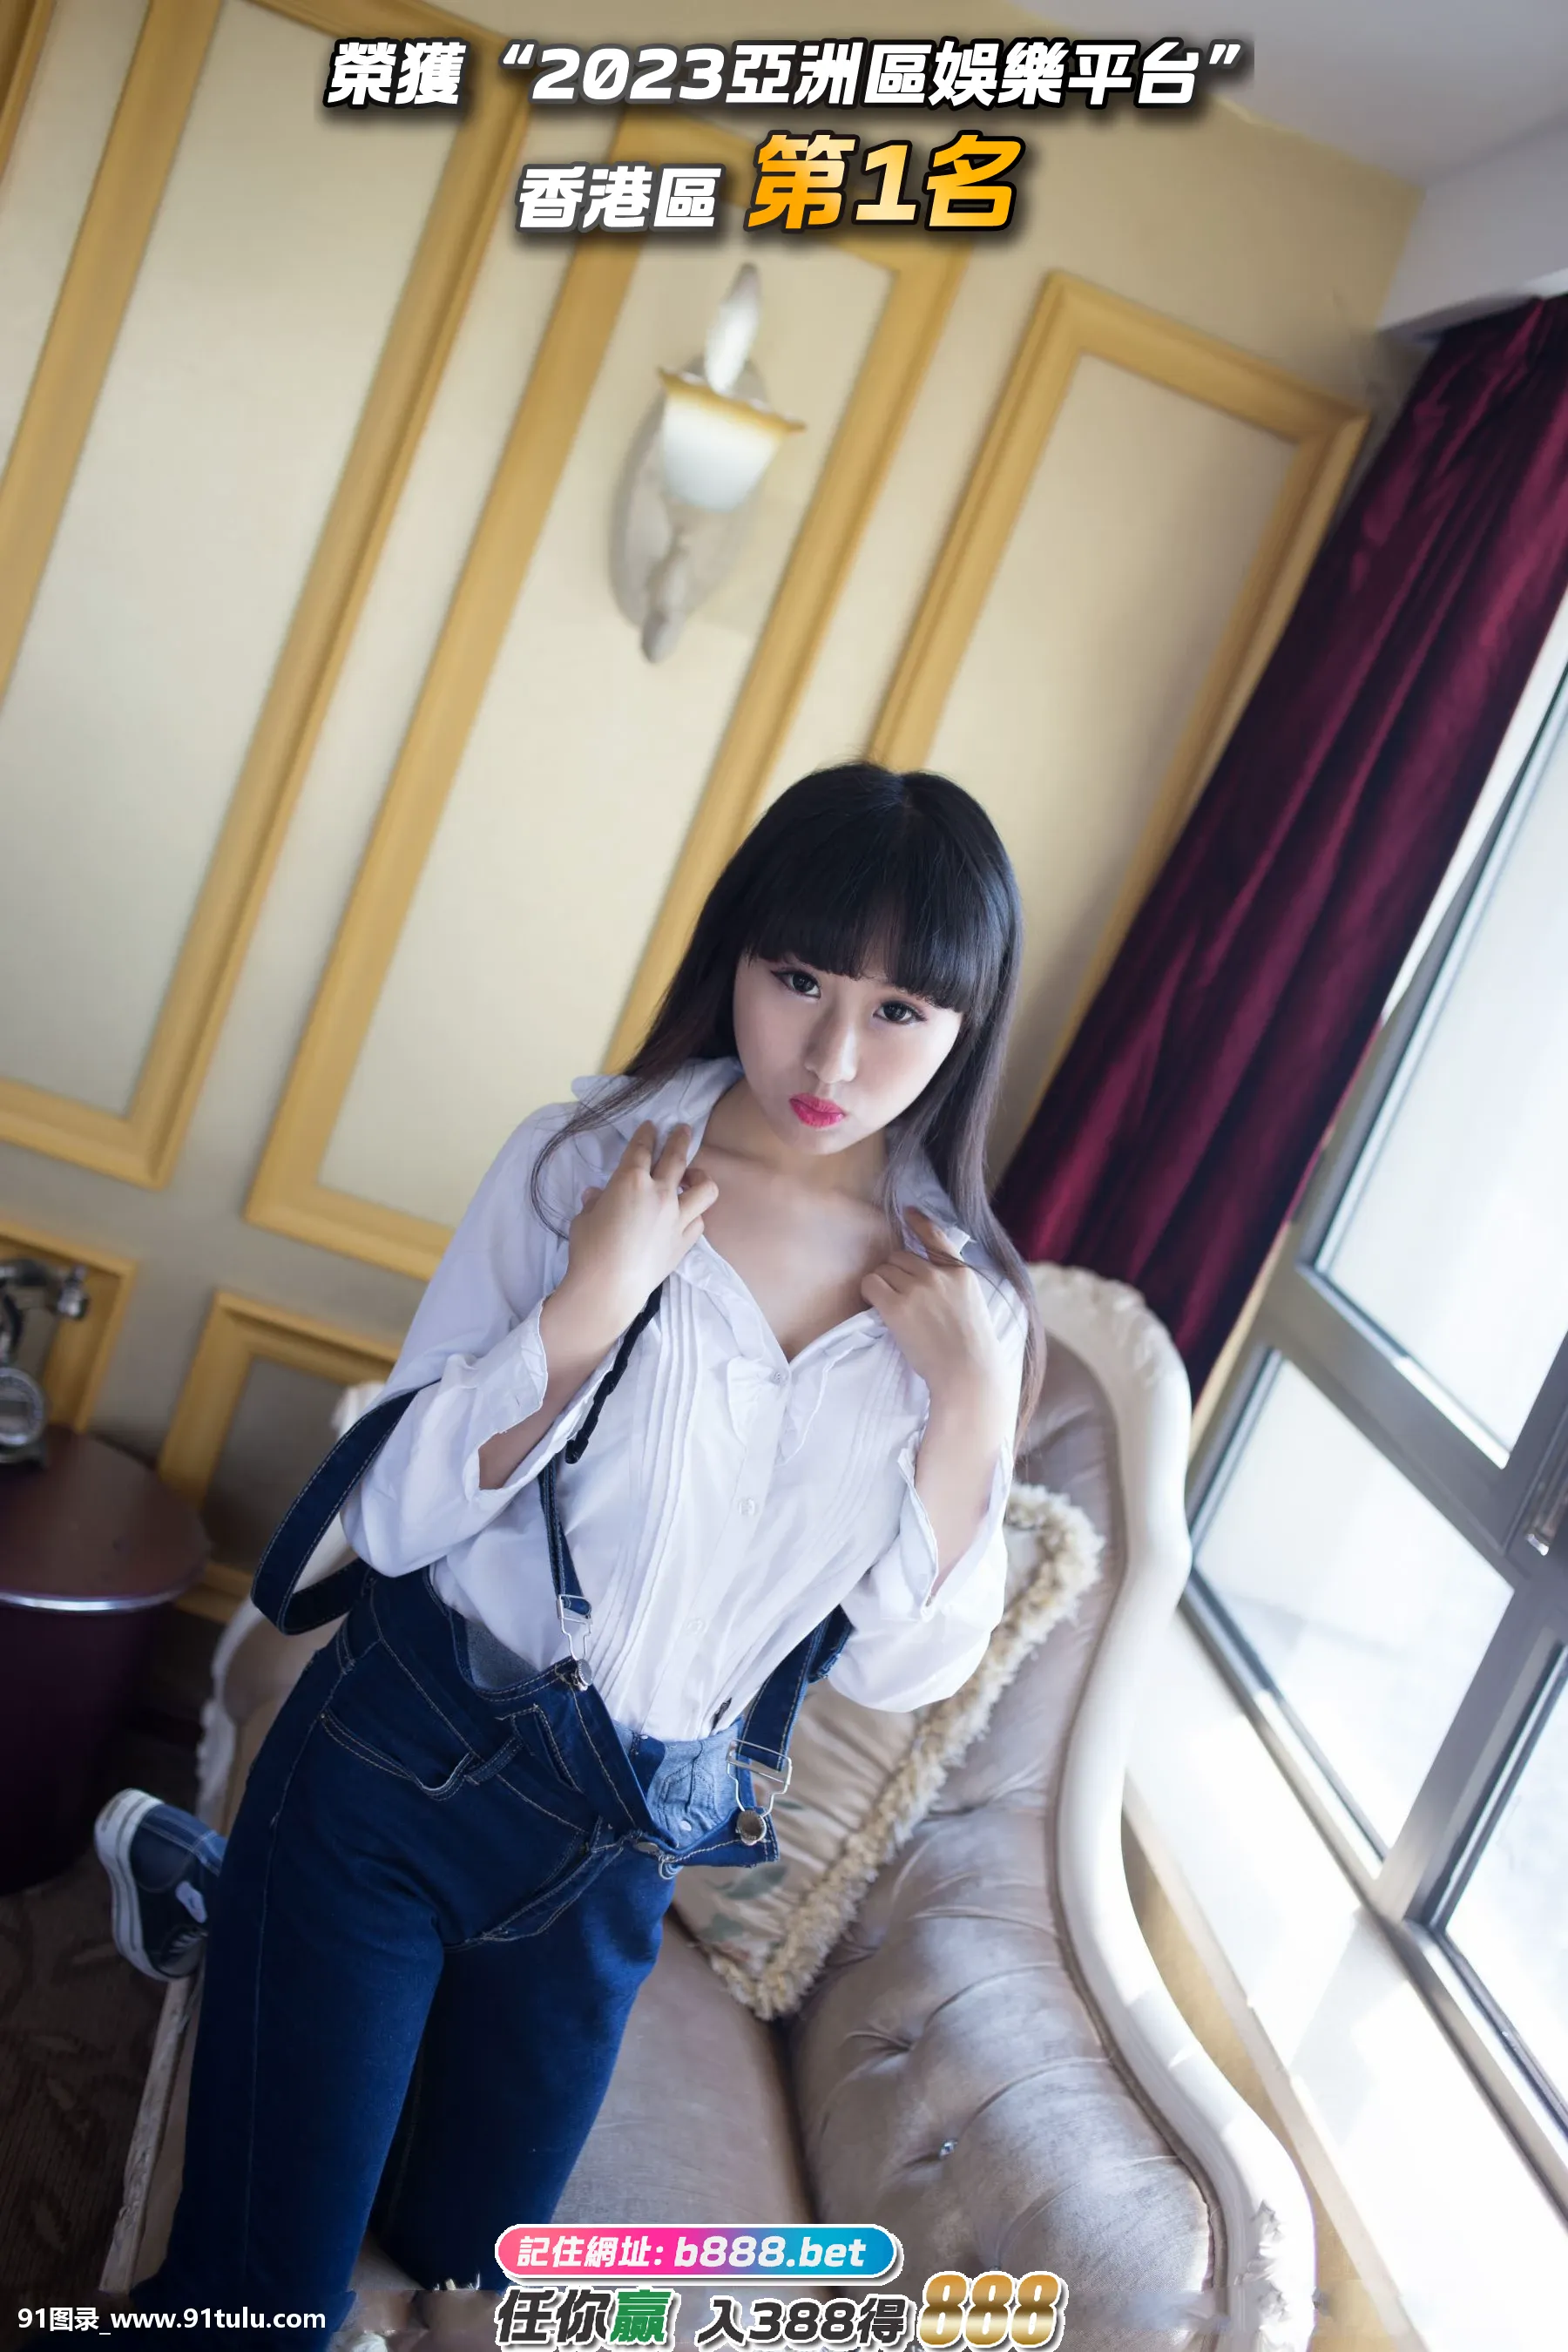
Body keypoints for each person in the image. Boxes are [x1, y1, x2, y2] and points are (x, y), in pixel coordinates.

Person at [99, 763, 1045, 2343]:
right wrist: (589, 1305)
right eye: (799, 981)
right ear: (737, 957)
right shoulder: (579, 1164)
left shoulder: (969, 1311)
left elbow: (899, 1670)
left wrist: (968, 1410)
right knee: (261, 2309)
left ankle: (210, 1904)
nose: (831, 1057)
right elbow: (397, 1518)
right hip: (397, 1775)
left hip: (617, 1858)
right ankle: (256, 1903)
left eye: (898, 1011)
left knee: (470, 2270)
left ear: (969, 1024)